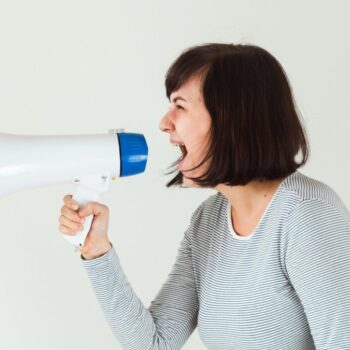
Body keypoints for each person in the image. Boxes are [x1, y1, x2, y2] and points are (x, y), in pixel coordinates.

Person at [58, 43, 350, 349]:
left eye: (180, 106)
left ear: (233, 119)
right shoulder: (208, 220)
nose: (164, 123)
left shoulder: (307, 215)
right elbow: (154, 343)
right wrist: (96, 251)